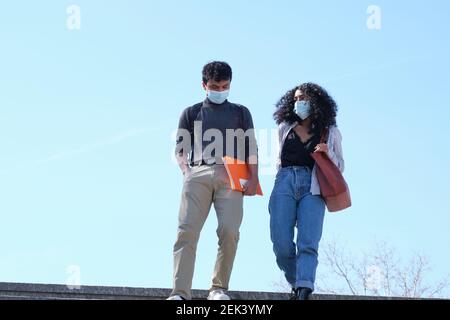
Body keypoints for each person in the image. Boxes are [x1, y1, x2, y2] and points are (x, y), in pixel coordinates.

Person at [167, 61, 259, 300]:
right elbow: (179, 148)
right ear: (204, 85)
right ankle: (180, 293)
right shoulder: (190, 112)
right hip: (197, 173)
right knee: (186, 232)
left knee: (229, 231)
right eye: (215, 86)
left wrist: (253, 177)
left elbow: (251, 146)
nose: (220, 91)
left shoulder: (241, 112)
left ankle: (218, 289)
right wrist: (186, 171)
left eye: (225, 86)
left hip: (231, 176)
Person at [269, 83, 345, 300]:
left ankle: (304, 288)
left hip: (313, 185)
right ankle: (296, 281)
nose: (298, 102)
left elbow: (340, 166)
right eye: (295, 98)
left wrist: (328, 152)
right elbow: (278, 160)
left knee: (308, 242)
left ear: (315, 101)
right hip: (284, 181)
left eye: (303, 98)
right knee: (280, 241)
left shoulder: (330, 132)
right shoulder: (285, 127)